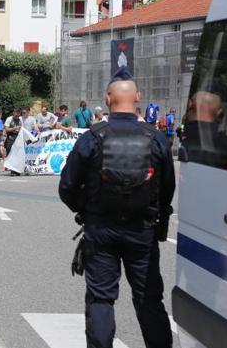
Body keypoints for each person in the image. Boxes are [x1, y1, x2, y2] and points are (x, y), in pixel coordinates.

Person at [59, 67, 175, 348]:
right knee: (149, 298)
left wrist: (83, 209)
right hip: (142, 231)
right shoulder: (156, 138)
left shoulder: (92, 137)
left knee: (101, 299)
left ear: (108, 99)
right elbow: (168, 188)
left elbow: (67, 186)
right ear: (138, 97)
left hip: (101, 228)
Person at [4, 109, 22, 176]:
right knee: (11, 154)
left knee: (18, 154)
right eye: (15, 114)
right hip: (10, 138)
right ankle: (12, 170)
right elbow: (6, 129)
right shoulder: (9, 119)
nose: (16, 115)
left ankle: (17, 170)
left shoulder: (20, 119)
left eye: (18, 114)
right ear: (13, 113)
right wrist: (15, 128)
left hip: (18, 138)